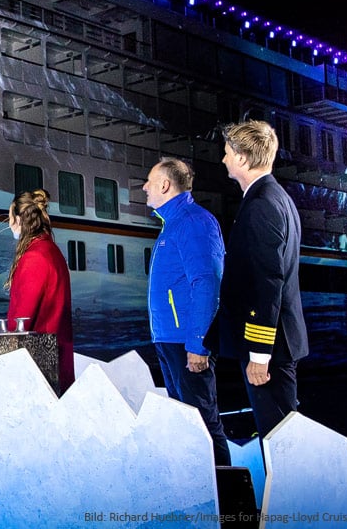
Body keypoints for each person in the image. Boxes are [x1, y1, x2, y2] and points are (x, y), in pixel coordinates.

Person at [204, 120, 308, 441]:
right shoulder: (276, 198)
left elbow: (267, 284)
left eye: (227, 152)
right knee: (281, 438)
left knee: (279, 441)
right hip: (277, 344)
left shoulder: (261, 204)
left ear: (242, 158)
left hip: (269, 351)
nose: (224, 159)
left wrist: (259, 355)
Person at [143, 157, 231, 466]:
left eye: (150, 181)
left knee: (203, 425)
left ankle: (227, 492)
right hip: (170, 339)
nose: (145, 187)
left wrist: (198, 343)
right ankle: (202, 490)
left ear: (165, 185)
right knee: (187, 425)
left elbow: (207, 282)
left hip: (186, 342)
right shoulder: (175, 223)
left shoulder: (194, 222)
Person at [5, 189, 75, 393]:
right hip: (56, 358)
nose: (9, 225)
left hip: (38, 364)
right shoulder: (51, 250)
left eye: (10, 219)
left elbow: (21, 320)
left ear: (19, 219)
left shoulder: (34, 257)